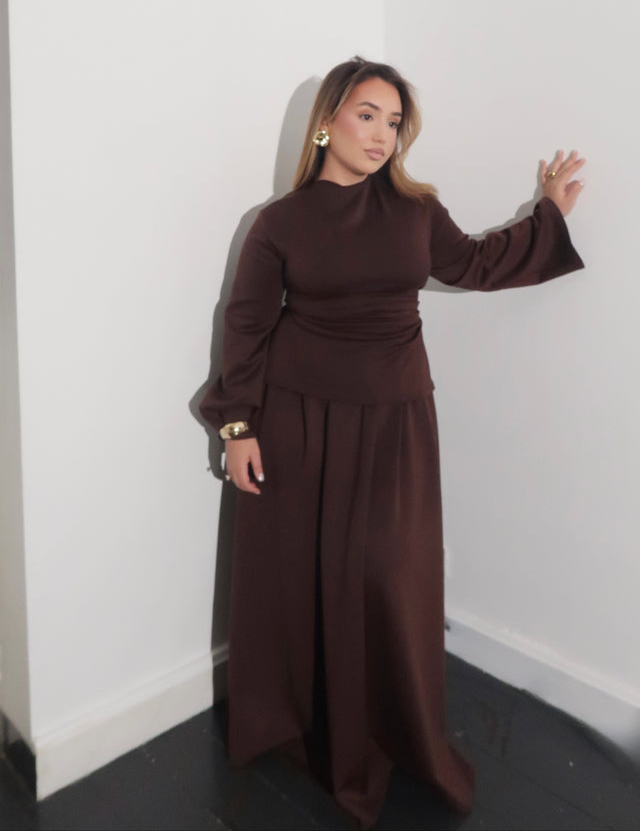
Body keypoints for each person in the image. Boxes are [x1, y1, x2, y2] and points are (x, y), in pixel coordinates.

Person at [199, 56, 585, 829]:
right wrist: (237, 426)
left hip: (395, 421)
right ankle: (294, 721)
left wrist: (548, 213)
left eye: (395, 122)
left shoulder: (415, 211)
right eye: (367, 115)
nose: (382, 135)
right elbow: (245, 325)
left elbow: (476, 263)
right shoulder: (278, 223)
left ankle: (387, 730)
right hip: (298, 419)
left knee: (384, 574)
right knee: (300, 574)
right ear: (327, 121)